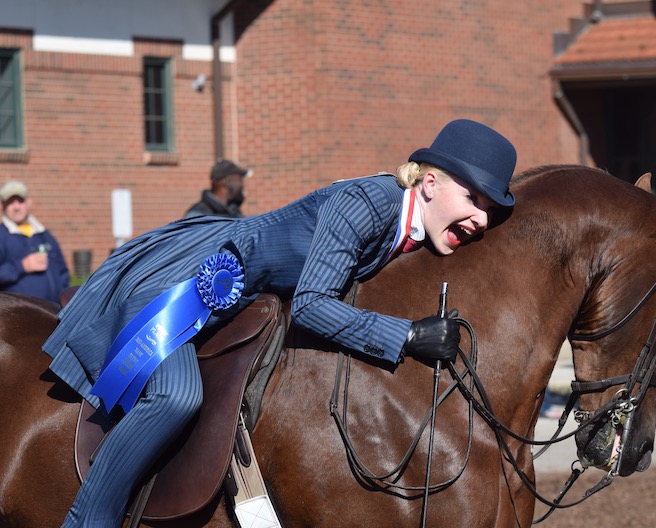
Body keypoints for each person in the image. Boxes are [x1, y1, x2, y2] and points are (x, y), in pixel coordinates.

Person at [42, 118, 517, 527]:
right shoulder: (368, 205)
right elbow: (311, 304)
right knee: (177, 396)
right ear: (430, 184)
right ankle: (87, 518)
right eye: (472, 198)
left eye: (489, 210)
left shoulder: (411, 224)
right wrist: (408, 334)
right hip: (183, 284)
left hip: (234, 303)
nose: (479, 218)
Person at [0, 180, 70, 304]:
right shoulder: (2, 235)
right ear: (3, 206)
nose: (16, 207)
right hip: (19, 316)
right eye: (10, 202)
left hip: (53, 313)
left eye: (20, 201)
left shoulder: (44, 234)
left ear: (28, 203)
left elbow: (63, 272)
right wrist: (22, 266)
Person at [183, 159, 253, 218]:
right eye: (240, 180)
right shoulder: (198, 216)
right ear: (227, 181)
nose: (242, 185)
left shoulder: (234, 212)